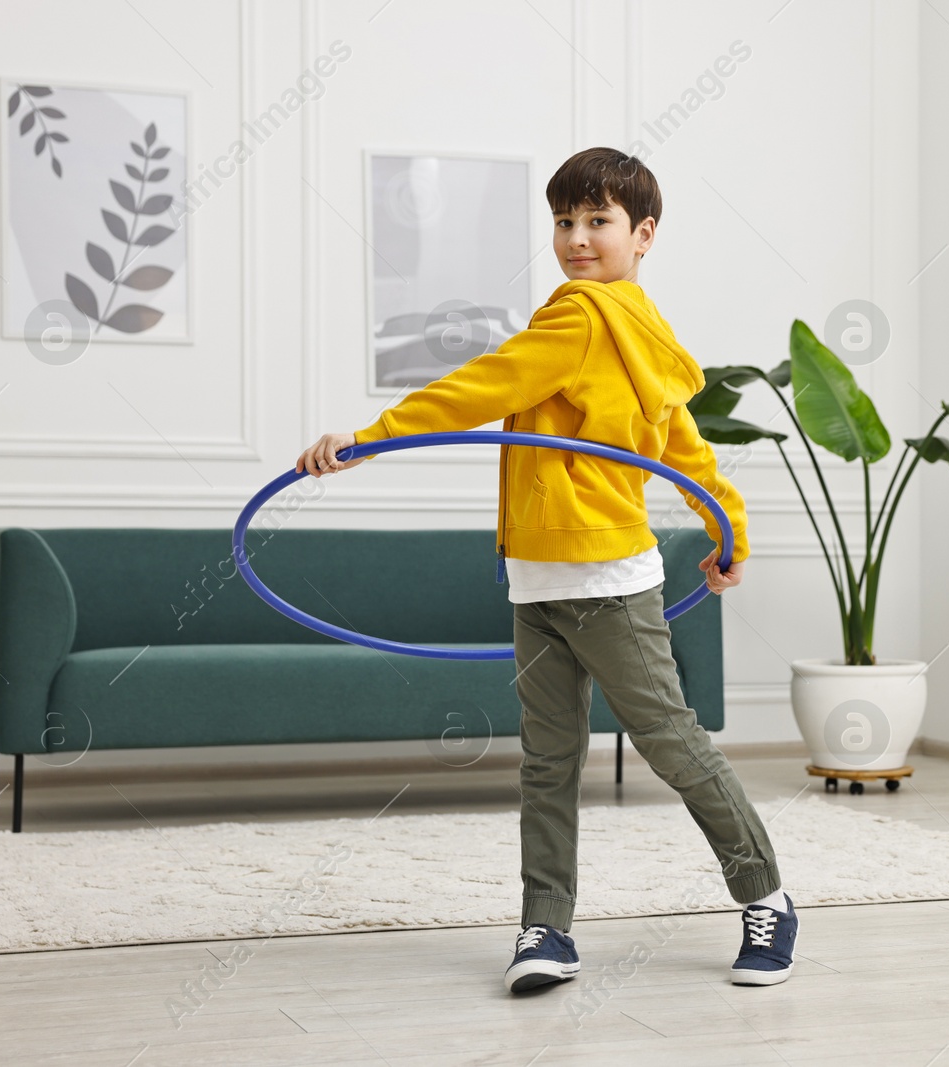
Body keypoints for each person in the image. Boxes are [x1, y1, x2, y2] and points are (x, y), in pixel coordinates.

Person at [296, 146, 796, 992]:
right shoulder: (643, 329)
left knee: (669, 743)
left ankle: (767, 897)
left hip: (602, 581)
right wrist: (729, 531)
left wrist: (369, 438)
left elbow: (480, 387)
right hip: (539, 580)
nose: (575, 238)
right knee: (550, 761)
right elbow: (688, 452)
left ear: (643, 235)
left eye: (598, 221)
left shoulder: (579, 319)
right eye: (565, 221)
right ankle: (547, 928)